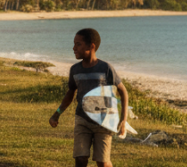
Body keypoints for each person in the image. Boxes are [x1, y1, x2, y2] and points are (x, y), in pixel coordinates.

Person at [49, 28, 129, 167]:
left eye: (78, 44)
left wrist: (123, 119)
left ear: (91, 46)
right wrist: (57, 114)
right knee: (80, 159)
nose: (74, 48)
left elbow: (123, 91)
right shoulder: (75, 70)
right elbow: (70, 93)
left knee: (102, 162)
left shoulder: (106, 68)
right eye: (74, 44)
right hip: (82, 120)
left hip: (103, 122)